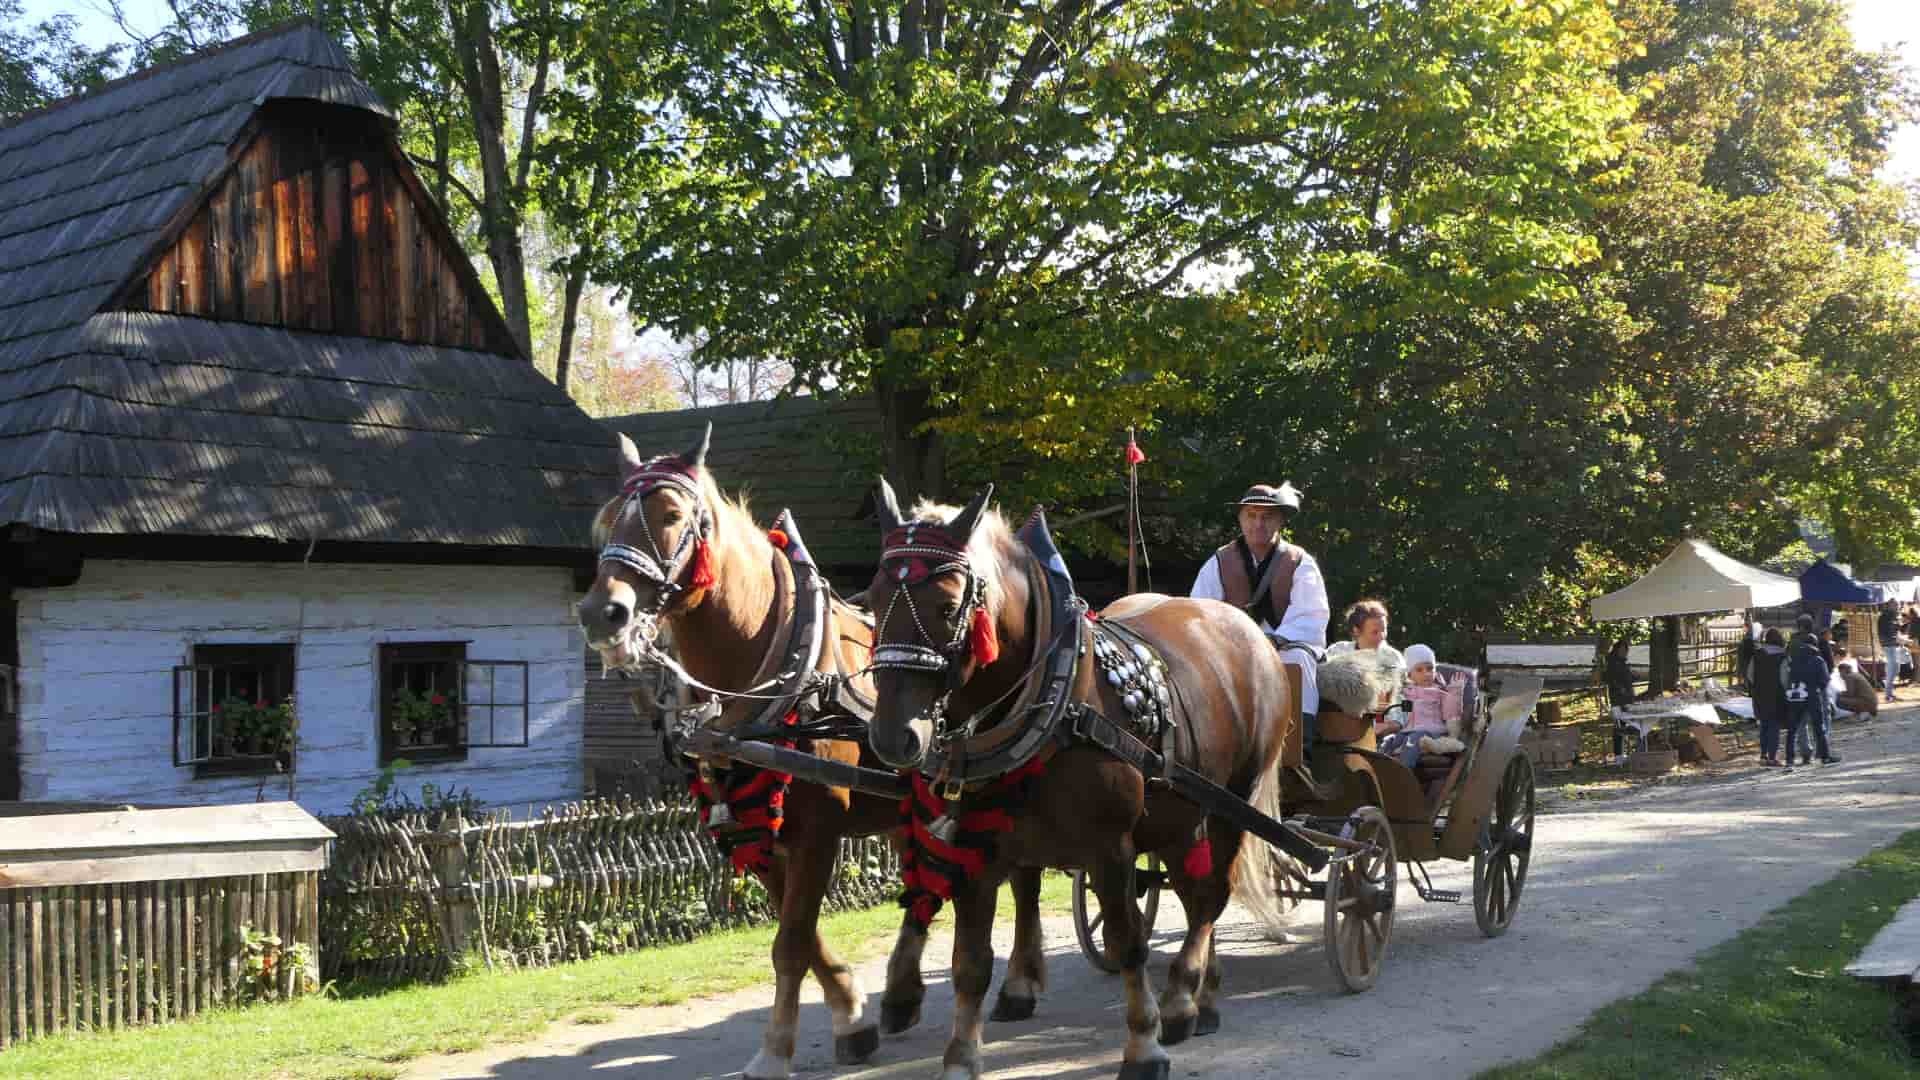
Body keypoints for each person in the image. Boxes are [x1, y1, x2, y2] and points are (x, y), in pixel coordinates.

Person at [1190, 482, 1332, 752]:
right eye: (1251, 515)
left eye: (1267, 517)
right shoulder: (1219, 562)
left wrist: (1275, 641)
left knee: (1298, 661)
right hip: (1232, 648)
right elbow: (1200, 611)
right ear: (1240, 519)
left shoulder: (1299, 561)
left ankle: (1298, 746)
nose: (1258, 524)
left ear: (1280, 520)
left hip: (1284, 646)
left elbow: (1310, 612)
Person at [1376, 644, 1461, 767]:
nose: (1426, 673)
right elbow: (1403, 715)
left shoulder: (1439, 692)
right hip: (1408, 730)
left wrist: (1455, 693)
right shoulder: (1406, 693)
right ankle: (1378, 770)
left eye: (1429, 669)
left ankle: (1405, 773)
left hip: (1432, 732)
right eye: (1419, 670)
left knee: (1413, 739)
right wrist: (1389, 722)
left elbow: (1451, 714)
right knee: (1391, 740)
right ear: (1409, 674)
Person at [1780, 627, 1838, 766]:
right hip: (1812, 695)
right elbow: (1824, 680)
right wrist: (1817, 689)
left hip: (1795, 695)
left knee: (1793, 729)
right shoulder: (1818, 660)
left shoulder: (1792, 660)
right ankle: (1824, 756)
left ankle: (1789, 760)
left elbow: (1786, 677)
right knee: (1818, 727)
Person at [1327, 599, 1407, 696]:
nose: (1382, 636)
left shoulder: (1393, 657)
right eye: (1375, 632)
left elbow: (1402, 695)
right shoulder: (1338, 651)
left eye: (1384, 630)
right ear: (1356, 630)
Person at [1749, 628, 1789, 767]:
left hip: (1760, 695)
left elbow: (1750, 675)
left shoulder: (1757, 654)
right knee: (1774, 726)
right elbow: (1785, 678)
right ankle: (1772, 757)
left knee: (1764, 725)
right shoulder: (1783, 656)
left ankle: (1763, 755)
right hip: (1777, 695)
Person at [1605, 638, 1637, 764]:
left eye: (1626, 650)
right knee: (1619, 726)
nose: (1625, 652)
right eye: (1622, 649)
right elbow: (1611, 679)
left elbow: (1626, 677)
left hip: (1627, 698)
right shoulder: (1612, 663)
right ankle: (1618, 755)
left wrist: (1633, 676)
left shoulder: (1622, 662)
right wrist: (1621, 689)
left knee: (1627, 725)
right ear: (1617, 650)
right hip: (1618, 700)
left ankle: (1628, 753)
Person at [1879, 600, 1902, 702]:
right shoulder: (1885, 617)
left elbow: (1895, 631)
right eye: (1895, 605)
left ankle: (1890, 693)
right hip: (1888, 646)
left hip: (1894, 646)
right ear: (1889, 605)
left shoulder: (1894, 616)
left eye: (1897, 604)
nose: (1897, 606)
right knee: (1892, 670)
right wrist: (1898, 639)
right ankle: (1888, 695)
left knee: (1895, 669)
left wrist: (1899, 638)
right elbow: (1884, 634)